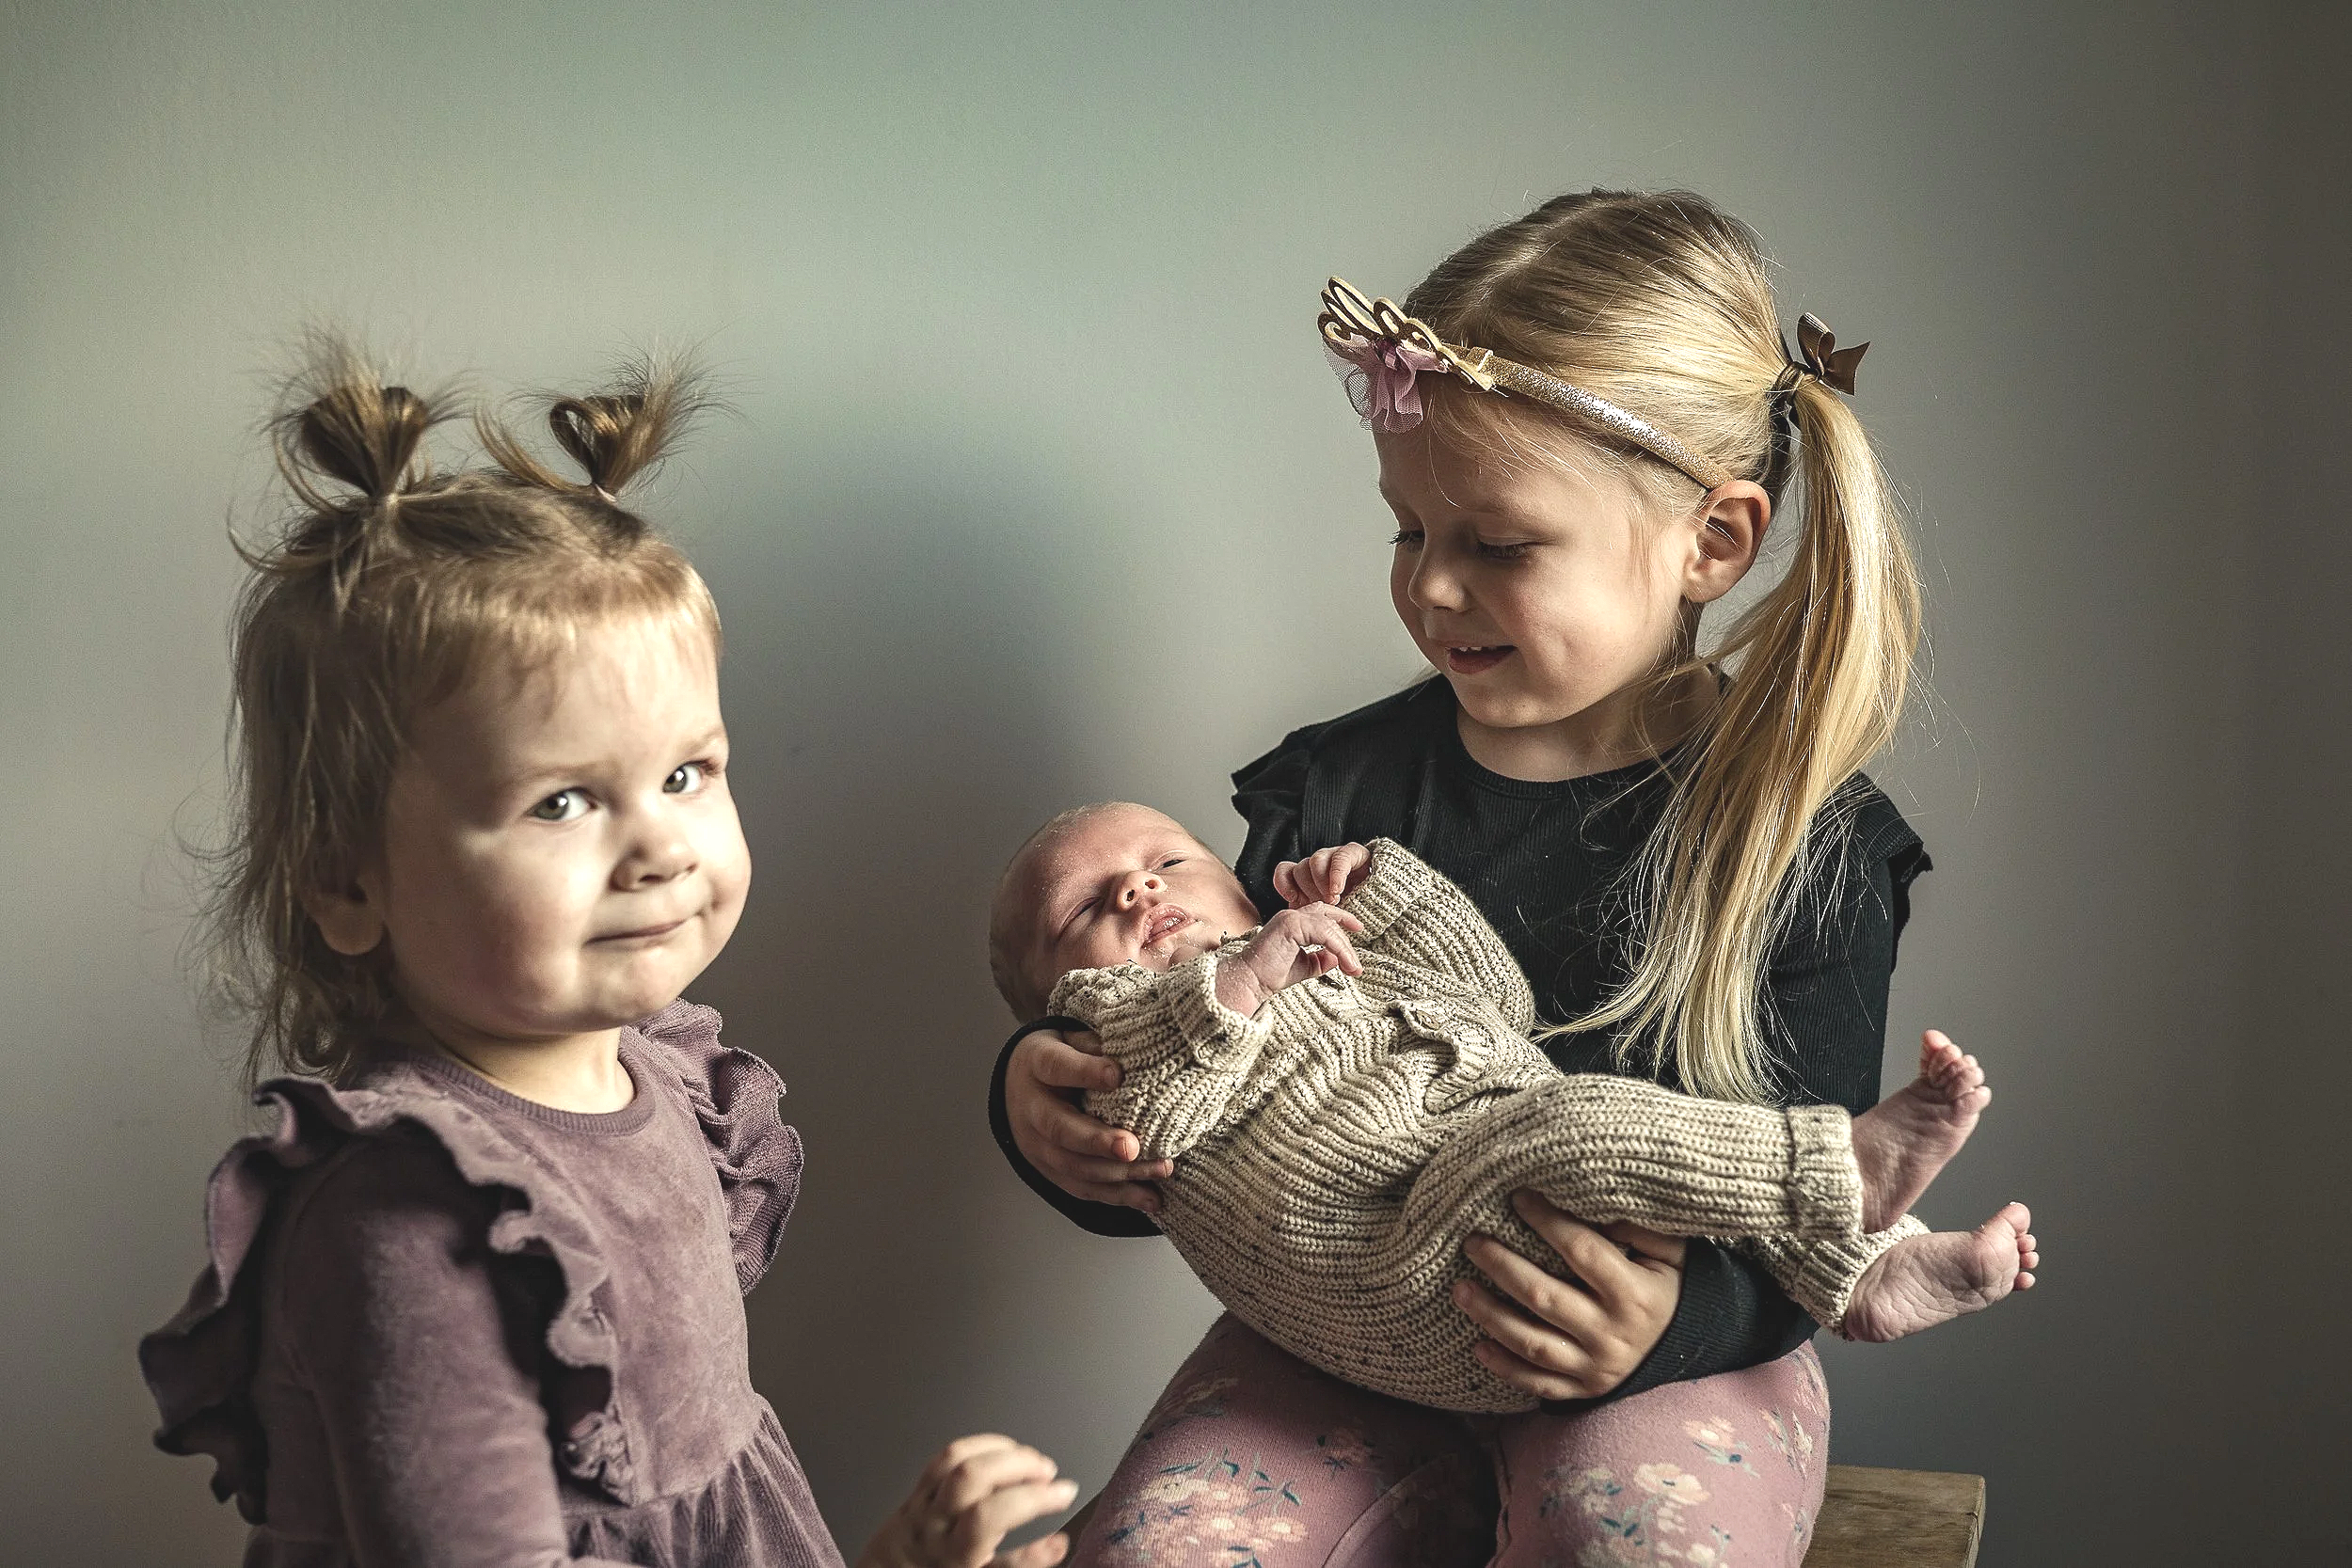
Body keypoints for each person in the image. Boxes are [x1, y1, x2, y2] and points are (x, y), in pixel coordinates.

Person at [988, 190, 2018, 1565]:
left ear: (1713, 541)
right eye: (1408, 531)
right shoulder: (1334, 793)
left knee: (1632, 1545)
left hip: (1652, 1358)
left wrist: (1675, 1323)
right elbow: (1206, 1075)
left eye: (1498, 543)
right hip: (1341, 1325)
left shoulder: (1805, 843)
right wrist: (1041, 1104)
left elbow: (1821, 1186)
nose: (1432, 588)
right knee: (1161, 1548)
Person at [141, 345, 1077, 1568]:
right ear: (347, 882)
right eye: (563, 801)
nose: (660, 847)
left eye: (687, 773)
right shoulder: (417, 1224)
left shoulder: (661, 1075)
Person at [988, 803, 2034, 1412]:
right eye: (1084, 906)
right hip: (1412, 1263)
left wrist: (1387, 894)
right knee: (1576, 1122)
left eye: (1167, 862)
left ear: (1239, 885)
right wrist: (1233, 981)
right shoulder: (1115, 1027)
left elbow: (1495, 1000)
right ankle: (1840, 1171)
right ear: (1055, 999)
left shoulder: (1319, 949)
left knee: (1641, 1136)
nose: (1137, 890)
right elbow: (1149, 1111)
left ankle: (1868, 1265)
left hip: (1527, 1209)